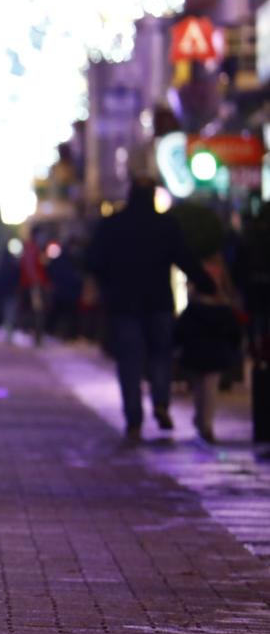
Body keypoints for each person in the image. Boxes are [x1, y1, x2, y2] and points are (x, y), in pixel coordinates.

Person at [86, 171, 216, 441]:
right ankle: (160, 401)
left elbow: (93, 261)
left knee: (130, 363)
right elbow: (184, 257)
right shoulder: (165, 225)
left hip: (125, 304)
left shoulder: (113, 225)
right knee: (161, 356)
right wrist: (206, 283)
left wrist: (107, 286)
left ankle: (134, 420)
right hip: (159, 302)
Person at [175, 256, 244, 444]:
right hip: (211, 355)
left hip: (199, 354)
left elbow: (180, 331)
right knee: (207, 389)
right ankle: (204, 422)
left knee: (202, 389)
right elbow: (234, 333)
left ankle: (203, 422)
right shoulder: (222, 309)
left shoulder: (195, 309)